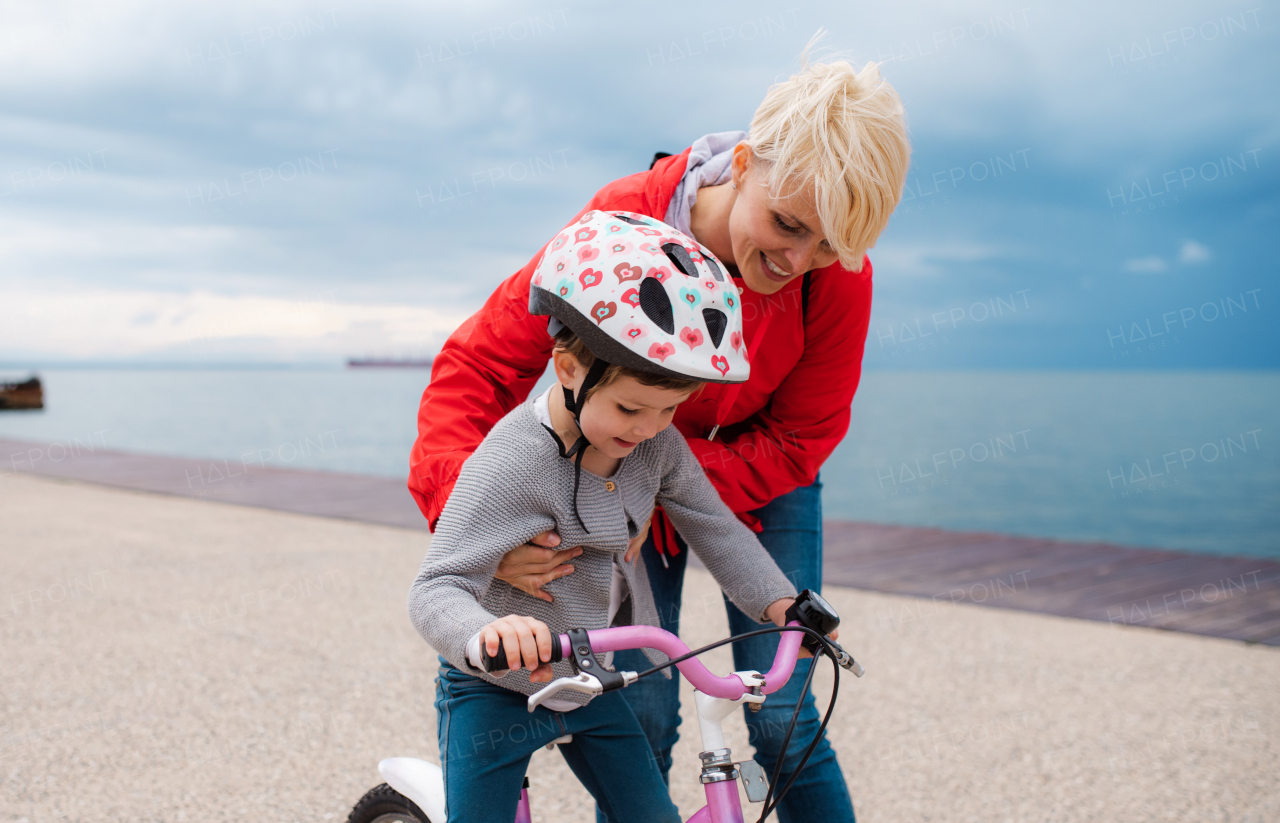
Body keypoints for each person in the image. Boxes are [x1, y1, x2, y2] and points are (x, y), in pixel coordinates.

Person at [409, 47, 910, 823]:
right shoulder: (620, 224)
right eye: (786, 224)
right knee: (643, 710)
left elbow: (802, 437)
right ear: (742, 165)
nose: (797, 260)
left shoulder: (834, 267)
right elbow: (481, 365)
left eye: (827, 249)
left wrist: (643, 470)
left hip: (740, 466)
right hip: (621, 453)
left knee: (781, 712)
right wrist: (472, 519)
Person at [409, 212, 812, 823]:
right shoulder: (510, 462)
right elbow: (435, 588)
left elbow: (715, 525)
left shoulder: (654, 446)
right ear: (569, 370)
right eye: (630, 408)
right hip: (493, 689)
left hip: (584, 678)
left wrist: (784, 606)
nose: (649, 430)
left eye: (670, 410)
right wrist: (484, 636)